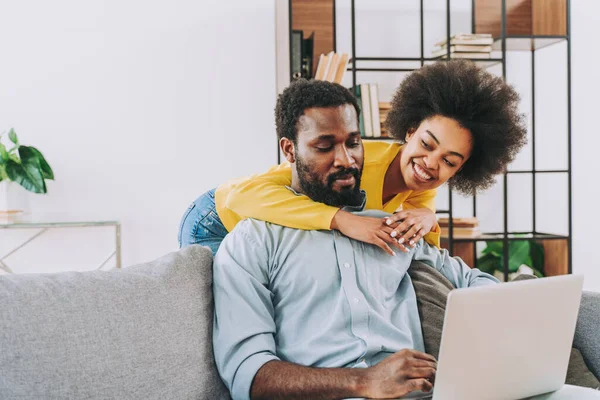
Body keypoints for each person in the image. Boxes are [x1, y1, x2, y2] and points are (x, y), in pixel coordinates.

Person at [211, 87, 600, 400]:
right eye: (324, 145)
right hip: (216, 211)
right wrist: (363, 381)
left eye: (353, 142)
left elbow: (472, 282)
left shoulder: (392, 223)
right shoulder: (253, 240)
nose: (346, 160)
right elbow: (249, 375)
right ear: (290, 150)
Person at [178, 60, 527, 256]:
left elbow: (426, 255)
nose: (431, 164)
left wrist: (426, 219)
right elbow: (240, 195)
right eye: (427, 143)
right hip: (217, 217)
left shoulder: (419, 188)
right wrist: (342, 220)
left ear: (464, 168)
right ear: (409, 130)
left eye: (450, 161)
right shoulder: (353, 161)